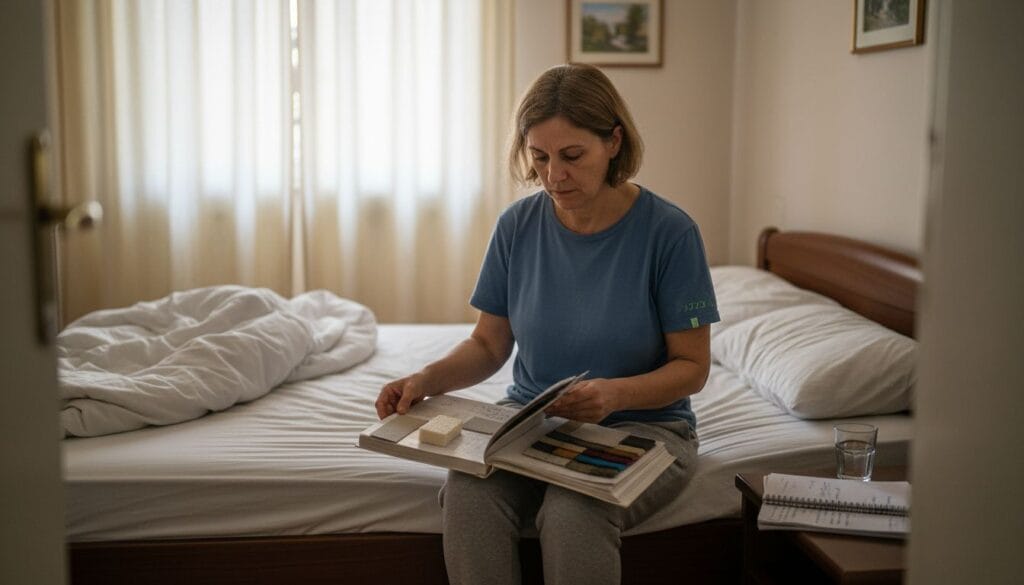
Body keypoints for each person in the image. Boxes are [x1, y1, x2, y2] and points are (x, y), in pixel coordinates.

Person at [375, 63, 719, 585]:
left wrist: (615, 396)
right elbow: (489, 344)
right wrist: (426, 381)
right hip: (530, 422)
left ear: (613, 143)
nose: (553, 175)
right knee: (467, 492)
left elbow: (692, 368)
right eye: (540, 157)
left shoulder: (670, 234)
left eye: (572, 156)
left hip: (646, 426)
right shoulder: (517, 225)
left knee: (572, 509)